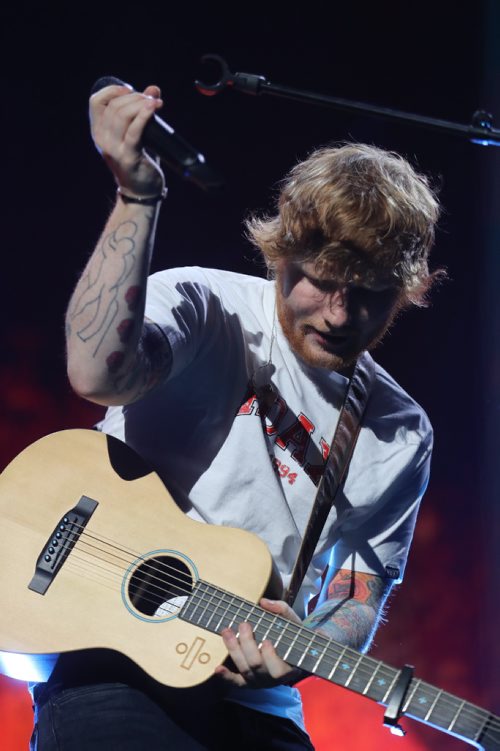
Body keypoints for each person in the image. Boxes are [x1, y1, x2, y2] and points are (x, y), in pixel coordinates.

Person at [31, 82, 441, 750]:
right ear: (282, 252)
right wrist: (138, 196)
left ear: (407, 289)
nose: (338, 315)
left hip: (263, 707)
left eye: (367, 294)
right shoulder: (206, 304)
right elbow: (96, 374)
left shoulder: (400, 431)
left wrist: (308, 645)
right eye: (321, 281)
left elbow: (359, 593)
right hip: (115, 667)